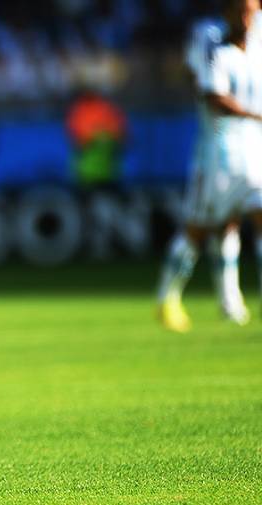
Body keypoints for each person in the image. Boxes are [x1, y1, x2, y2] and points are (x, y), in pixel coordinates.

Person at [157, 0, 262, 332]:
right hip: (219, 148)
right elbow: (203, 86)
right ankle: (166, 296)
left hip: (255, 146)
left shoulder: (257, 35)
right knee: (204, 227)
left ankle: (231, 300)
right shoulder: (210, 39)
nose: (247, 18)